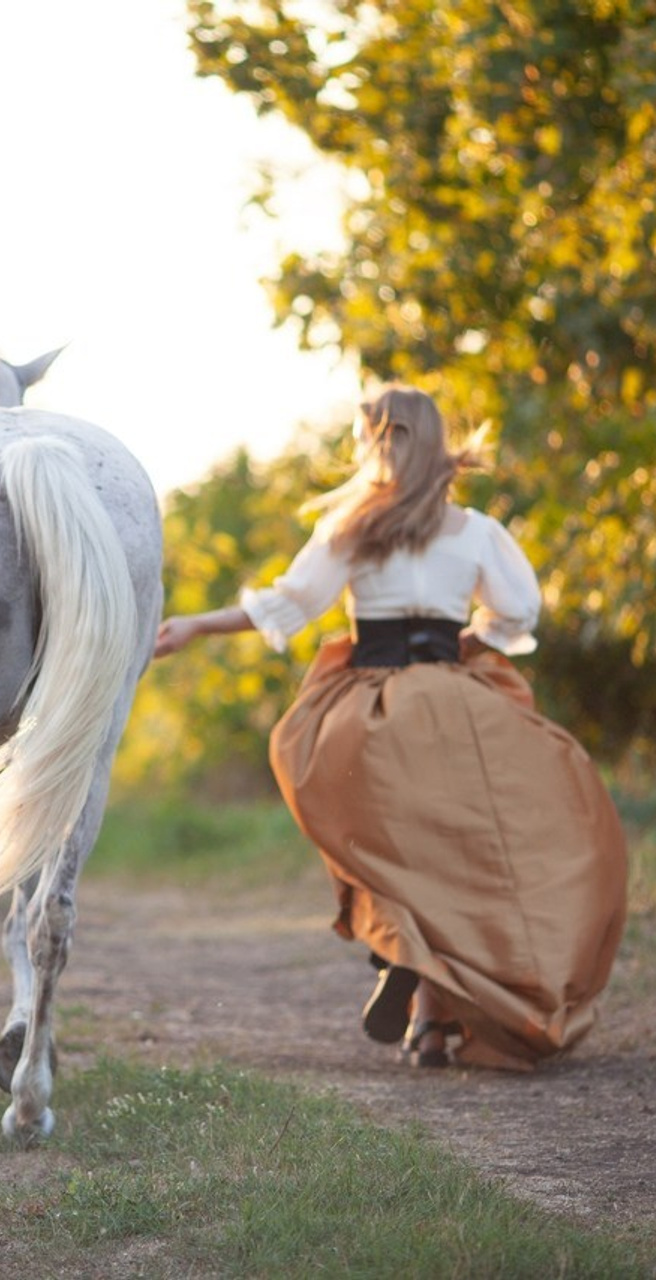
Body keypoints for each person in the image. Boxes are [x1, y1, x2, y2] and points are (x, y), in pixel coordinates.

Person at [154, 385, 627, 1071]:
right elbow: (518, 612)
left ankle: (412, 978)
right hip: (458, 707)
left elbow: (290, 606)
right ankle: (431, 1015)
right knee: (458, 852)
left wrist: (198, 625)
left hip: (370, 711)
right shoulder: (475, 530)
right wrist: (469, 642)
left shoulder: (351, 527)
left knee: (387, 844)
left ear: (376, 440)